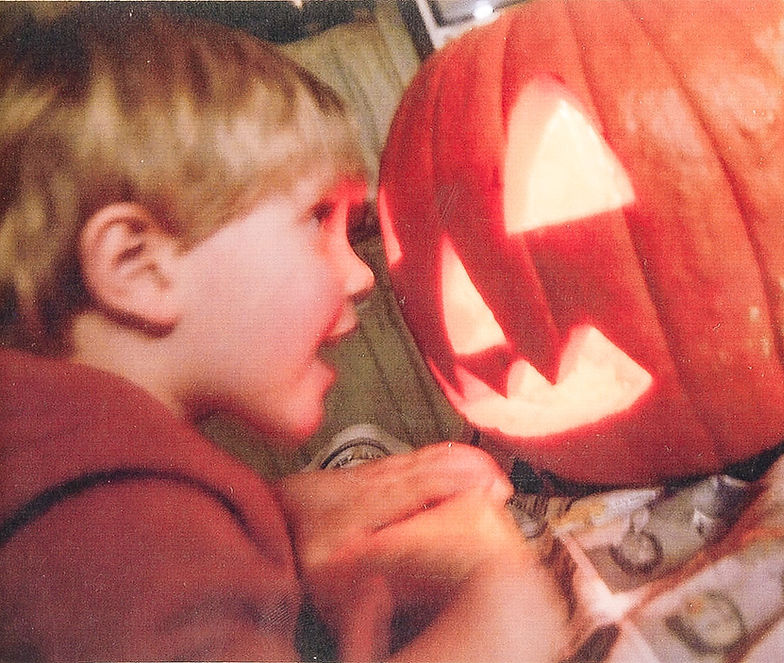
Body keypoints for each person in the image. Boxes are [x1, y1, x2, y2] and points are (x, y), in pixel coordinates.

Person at [0, 7, 566, 662]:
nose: (361, 275)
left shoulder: (64, 469)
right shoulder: (117, 524)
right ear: (138, 267)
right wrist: (498, 621)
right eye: (317, 218)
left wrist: (278, 519)